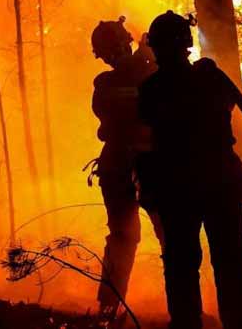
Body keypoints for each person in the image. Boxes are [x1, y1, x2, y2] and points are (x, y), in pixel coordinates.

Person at [136, 10, 242, 329]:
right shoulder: (209, 79)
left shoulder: (152, 90)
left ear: (158, 48)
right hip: (215, 182)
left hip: (180, 187)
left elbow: (146, 144)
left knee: (182, 265)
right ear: (186, 45)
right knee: (227, 264)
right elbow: (226, 110)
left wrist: (148, 189)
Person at [90, 17, 163, 322]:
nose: (117, 52)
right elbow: (133, 89)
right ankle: (109, 309)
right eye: (115, 48)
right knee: (128, 235)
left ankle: (109, 309)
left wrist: (146, 57)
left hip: (134, 166)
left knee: (154, 234)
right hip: (136, 166)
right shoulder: (109, 82)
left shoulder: (138, 73)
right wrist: (146, 56)